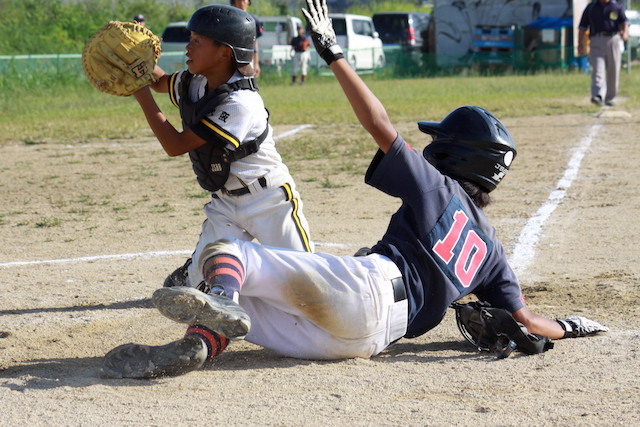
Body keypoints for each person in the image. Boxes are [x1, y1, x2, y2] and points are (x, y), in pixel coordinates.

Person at [102, 0, 608, 379]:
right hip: (361, 342)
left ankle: (222, 308)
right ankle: (203, 342)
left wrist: (334, 54)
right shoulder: (493, 253)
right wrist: (571, 326)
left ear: (454, 155)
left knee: (228, 255)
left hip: (363, 289)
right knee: (223, 294)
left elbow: (378, 122)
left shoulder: (437, 188)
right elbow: (528, 319)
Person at [134, 5, 314, 294]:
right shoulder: (194, 82)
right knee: (193, 291)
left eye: (197, 41)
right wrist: (137, 62)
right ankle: (194, 269)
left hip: (268, 201)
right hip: (226, 204)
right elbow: (158, 81)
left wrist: (140, 95)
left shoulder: (241, 103)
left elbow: (175, 145)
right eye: (190, 38)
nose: (188, 46)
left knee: (305, 286)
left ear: (224, 53)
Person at [578, 0, 629, 107]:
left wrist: (625, 33)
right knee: (598, 69)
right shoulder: (591, 7)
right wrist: (580, 43)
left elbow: (624, 22)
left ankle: (610, 97)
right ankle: (598, 95)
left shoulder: (616, 6)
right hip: (596, 39)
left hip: (613, 39)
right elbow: (582, 26)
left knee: (613, 70)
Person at [230, 0, 263, 78]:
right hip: (230, 57)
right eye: (238, 0)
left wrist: (256, 63)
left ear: (248, 2)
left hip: (247, 57)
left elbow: (254, 43)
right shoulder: (230, 19)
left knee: (247, 81)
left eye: (244, 0)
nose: (241, 3)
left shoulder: (253, 20)